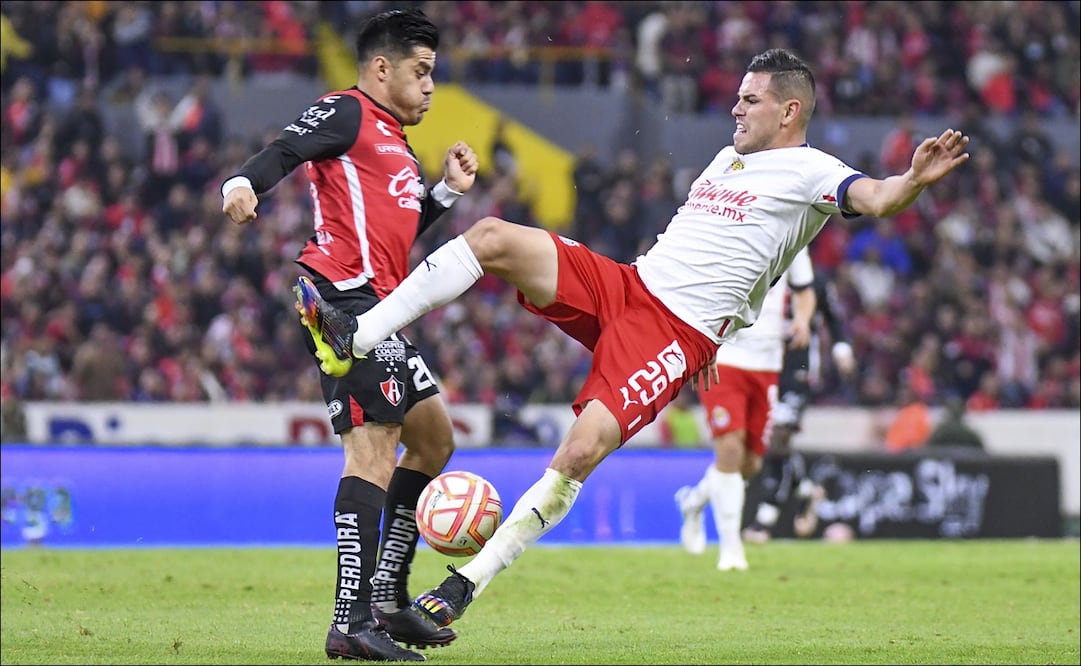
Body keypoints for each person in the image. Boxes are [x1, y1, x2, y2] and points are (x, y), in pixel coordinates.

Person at [293, 48, 969, 633]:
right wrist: (723, 322)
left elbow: (876, 197)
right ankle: (357, 331)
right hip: (629, 288)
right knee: (493, 236)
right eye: (736, 97)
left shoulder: (812, 171)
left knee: (578, 451)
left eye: (748, 100)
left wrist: (911, 180)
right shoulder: (725, 161)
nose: (734, 109)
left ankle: (463, 586)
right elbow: (721, 256)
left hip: (671, 333)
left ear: (787, 112)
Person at [220, 8, 479, 662]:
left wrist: (444, 194)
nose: (429, 86)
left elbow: (395, 237)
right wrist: (243, 182)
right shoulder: (346, 110)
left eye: (434, 75)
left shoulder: (394, 138)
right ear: (381, 67)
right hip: (340, 302)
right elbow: (285, 147)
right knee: (373, 451)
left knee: (432, 439)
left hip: (381, 304)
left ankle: (387, 600)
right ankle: (350, 620)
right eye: (420, 72)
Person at [674, 247, 816, 571]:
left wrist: (803, 320)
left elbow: (804, 289)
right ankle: (731, 549)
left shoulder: (796, 234)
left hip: (767, 364)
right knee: (730, 450)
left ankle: (693, 502)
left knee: (750, 463)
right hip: (724, 356)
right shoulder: (732, 230)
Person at [741, 273, 857, 543]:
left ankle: (764, 521)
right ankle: (806, 491)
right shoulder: (764, 273)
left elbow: (834, 319)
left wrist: (842, 350)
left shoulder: (814, 282)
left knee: (779, 437)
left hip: (798, 371)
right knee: (763, 439)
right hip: (761, 366)